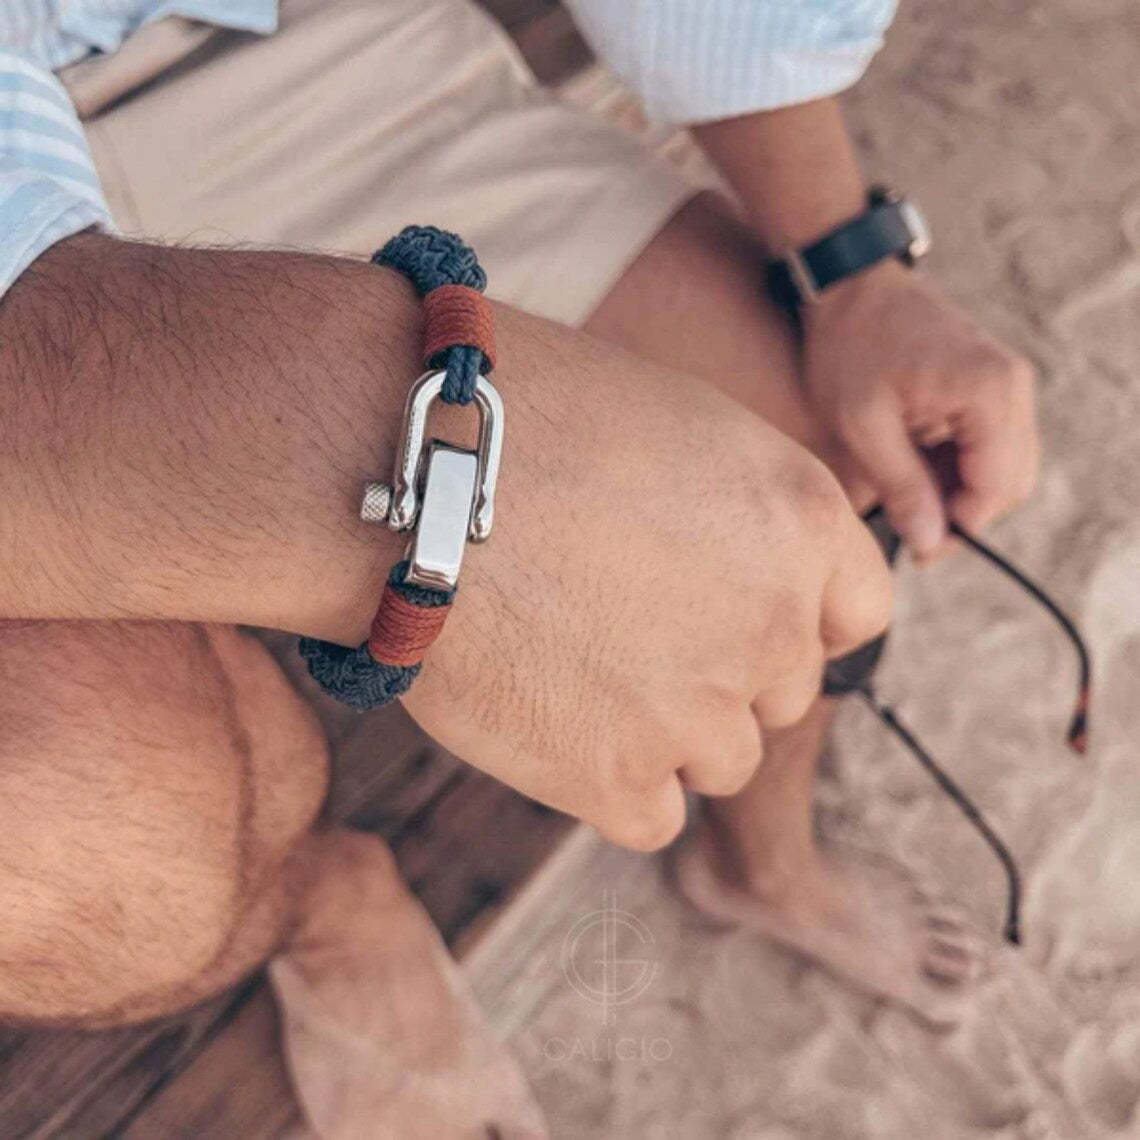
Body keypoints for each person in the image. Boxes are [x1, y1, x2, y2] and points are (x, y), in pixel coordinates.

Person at [0, 1, 1036, 1135]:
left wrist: (853, 271)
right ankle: (325, 907)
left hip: (250, 36)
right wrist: (380, 490)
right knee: (116, 847)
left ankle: (763, 866)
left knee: (826, 472)